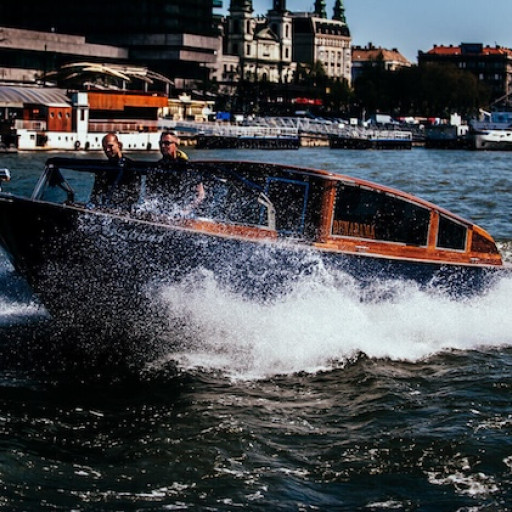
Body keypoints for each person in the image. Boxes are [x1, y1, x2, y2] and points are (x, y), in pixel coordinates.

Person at [147, 130, 205, 216]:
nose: (163, 146)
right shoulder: (157, 167)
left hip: (185, 212)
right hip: (163, 212)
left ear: (175, 145)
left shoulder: (186, 165)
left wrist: (186, 210)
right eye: (161, 143)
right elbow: (150, 195)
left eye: (167, 143)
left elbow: (201, 195)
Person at [90, 132, 140, 208]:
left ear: (118, 145)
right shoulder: (103, 168)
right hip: (106, 209)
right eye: (104, 147)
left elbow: (134, 194)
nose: (107, 149)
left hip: (124, 210)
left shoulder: (131, 166)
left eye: (110, 146)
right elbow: (95, 194)